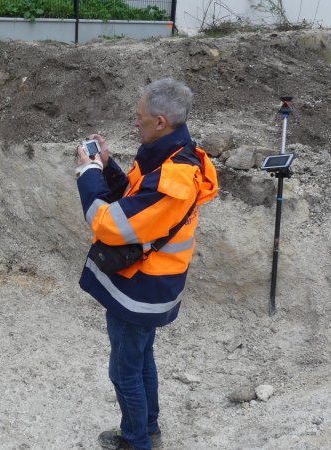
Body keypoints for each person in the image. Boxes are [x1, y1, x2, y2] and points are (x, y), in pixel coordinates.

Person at [74, 78, 219, 450]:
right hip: (152, 285)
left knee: (124, 371)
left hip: (141, 289)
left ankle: (136, 441)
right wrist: (107, 167)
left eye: (139, 118)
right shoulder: (170, 153)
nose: (134, 123)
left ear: (160, 121)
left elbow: (109, 223)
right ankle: (148, 429)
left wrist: (87, 173)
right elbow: (134, 200)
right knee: (141, 360)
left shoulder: (174, 177)